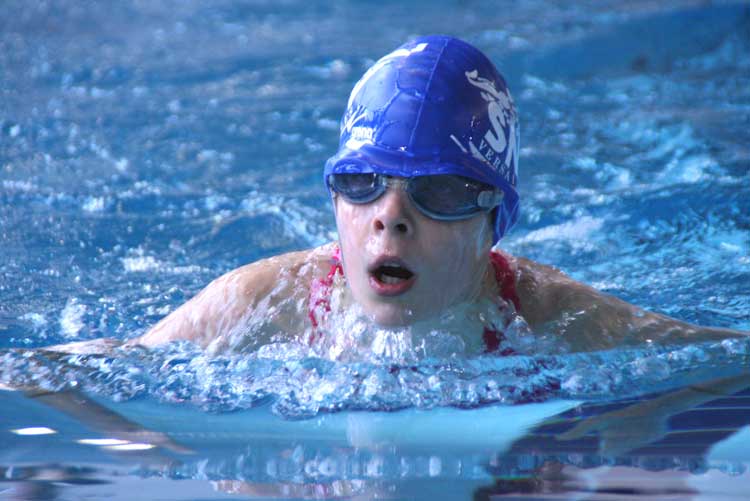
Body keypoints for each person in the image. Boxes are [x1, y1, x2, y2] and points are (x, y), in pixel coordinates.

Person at [56, 35, 744, 358]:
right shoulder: (263, 302)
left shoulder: (554, 317)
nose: (390, 215)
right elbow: (83, 370)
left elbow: (720, 357)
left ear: (494, 223)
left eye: (438, 191)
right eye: (362, 183)